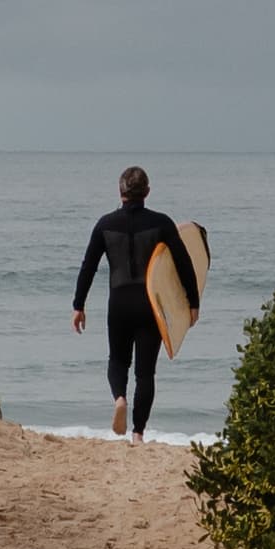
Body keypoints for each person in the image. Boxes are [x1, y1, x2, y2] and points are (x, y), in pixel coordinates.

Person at [71, 162, 199, 438]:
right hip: (149, 305)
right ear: (147, 192)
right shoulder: (161, 223)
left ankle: (119, 399)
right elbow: (184, 263)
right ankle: (138, 433)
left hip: (118, 303)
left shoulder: (105, 225)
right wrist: (192, 301)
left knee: (117, 361)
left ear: (120, 192)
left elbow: (88, 266)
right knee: (145, 373)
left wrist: (78, 305)